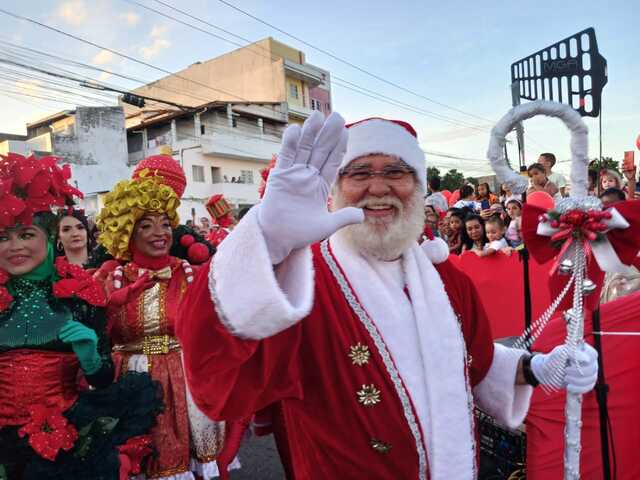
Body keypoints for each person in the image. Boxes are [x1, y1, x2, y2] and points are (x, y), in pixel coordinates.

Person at [176, 113, 598, 479]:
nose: (378, 187)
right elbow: (220, 385)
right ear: (335, 187)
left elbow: (470, 365)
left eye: (396, 172)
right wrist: (265, 243)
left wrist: (538, 368)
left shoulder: (447, 280)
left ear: (417, 185)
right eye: (359, 173)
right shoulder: (299, 278)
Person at [0, 153, 161, 479]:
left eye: (26, 235)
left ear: (48, 241)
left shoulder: (79, 295)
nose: (14, 247)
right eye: (4, 237)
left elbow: (102, 380)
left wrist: (89, 357)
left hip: (64, 439)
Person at [96, 169, 237, 479]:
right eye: (146, 225)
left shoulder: (192, 275)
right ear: (126, 234)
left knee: (197, 464)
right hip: (134, 381)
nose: (160, 233)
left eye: (164, 223)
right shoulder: (109, 281)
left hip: (187, 379)